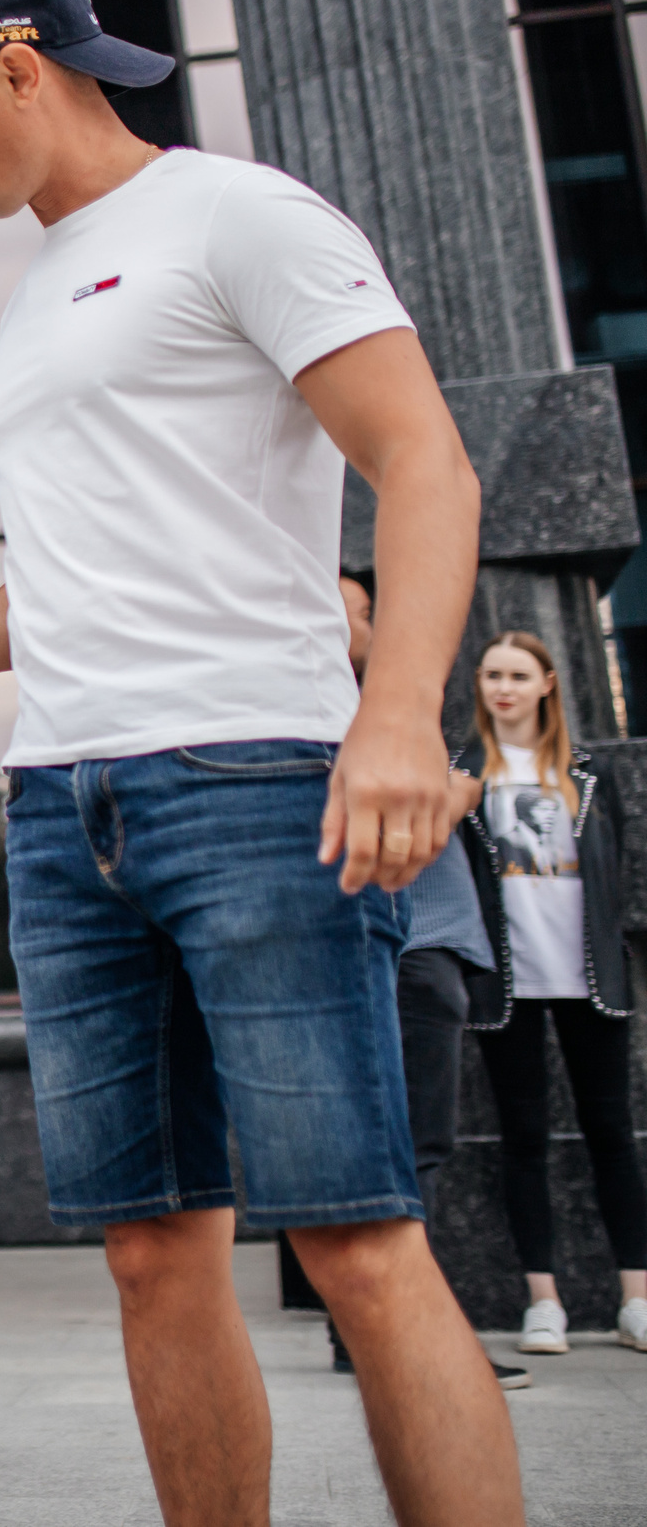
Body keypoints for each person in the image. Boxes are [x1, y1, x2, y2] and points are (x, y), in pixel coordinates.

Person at [0, 0, 514, 1525]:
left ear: (18, 66)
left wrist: (395, 713)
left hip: (255, 783)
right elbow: (81, 566)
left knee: (352, 1242)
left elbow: (426, 466)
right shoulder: (40, 286)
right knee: (148, 1247)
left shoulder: (236, 216)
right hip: (66, 809)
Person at [319, 580, 525, 1386]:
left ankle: (377, 1338)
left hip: (419, 954)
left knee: (407, 1147)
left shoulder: (377, 709)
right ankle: (405, 1344)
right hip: (405, 952)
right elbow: (401, 819)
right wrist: (461, 790)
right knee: (413, 1149)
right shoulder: (346, 716)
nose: (373, 623)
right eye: (360, 613)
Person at [458, 631, 647, 1355]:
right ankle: (544, 1301)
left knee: (612, 1136)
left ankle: (635, 1297)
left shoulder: (588, 772)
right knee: (523, 1138)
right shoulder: (464, 770)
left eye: (516, 675)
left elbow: (617, 870)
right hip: (506, 982)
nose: (502, 687)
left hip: (588, 976)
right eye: (491, 675)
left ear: (545, 685)